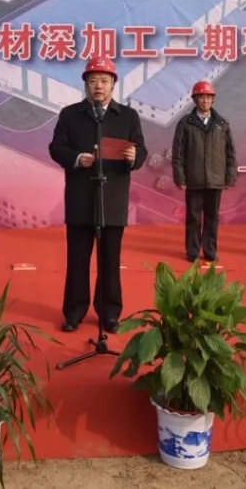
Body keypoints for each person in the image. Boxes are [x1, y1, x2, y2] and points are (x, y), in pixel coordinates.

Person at [49, 57, 147, 333]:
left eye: (104, 80)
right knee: (77, 261)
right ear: (86, 85)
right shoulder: (70, 114)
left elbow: (141, 151)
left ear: (113, 84)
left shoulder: (128, 116)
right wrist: (77, 158)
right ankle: (74, 312)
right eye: (93, 81)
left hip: (112, 199)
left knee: (110, 261)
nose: (99, 86)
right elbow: (56, 148)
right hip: (81, 198)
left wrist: (134, 156)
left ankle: (109, 313)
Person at [171, 80, 236, 263]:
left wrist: (229, 177)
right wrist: (180, 178)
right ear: (195, 99)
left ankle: (210, 251)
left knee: (212, 218)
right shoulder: (185, 123)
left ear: (213, 99)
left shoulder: (222, 124)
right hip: (194, 179)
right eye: (201, 97)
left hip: (216, 180)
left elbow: (230, 153)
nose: (205, 100)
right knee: (193, 218)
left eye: (208, 97)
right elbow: (177, 153)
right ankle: (192, 252)